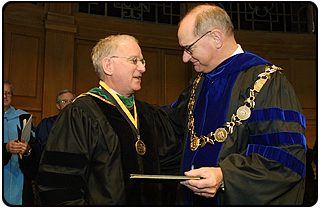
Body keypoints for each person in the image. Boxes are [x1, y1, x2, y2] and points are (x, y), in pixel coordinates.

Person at [164, 4, 307, 205]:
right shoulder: (199, 84)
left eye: (189, 48)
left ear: (216, 38)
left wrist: (225, 177)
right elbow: (168, 126)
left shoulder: (266, 82)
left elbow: (286, 159)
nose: (184, 58)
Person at [36, 34, 182, 205]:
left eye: (143, 61)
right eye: (134, 60)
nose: (142, 68)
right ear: (108, 66)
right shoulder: (80, 113)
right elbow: (60, 186)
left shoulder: (148, 113)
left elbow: (172, 162)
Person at [3, 81, 41, 206]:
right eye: (2, 93)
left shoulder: (23, 117)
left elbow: (35, 148)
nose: (5, 96)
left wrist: (28, 150)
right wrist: (6, 148)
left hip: (21, 178)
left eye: (8, 93)